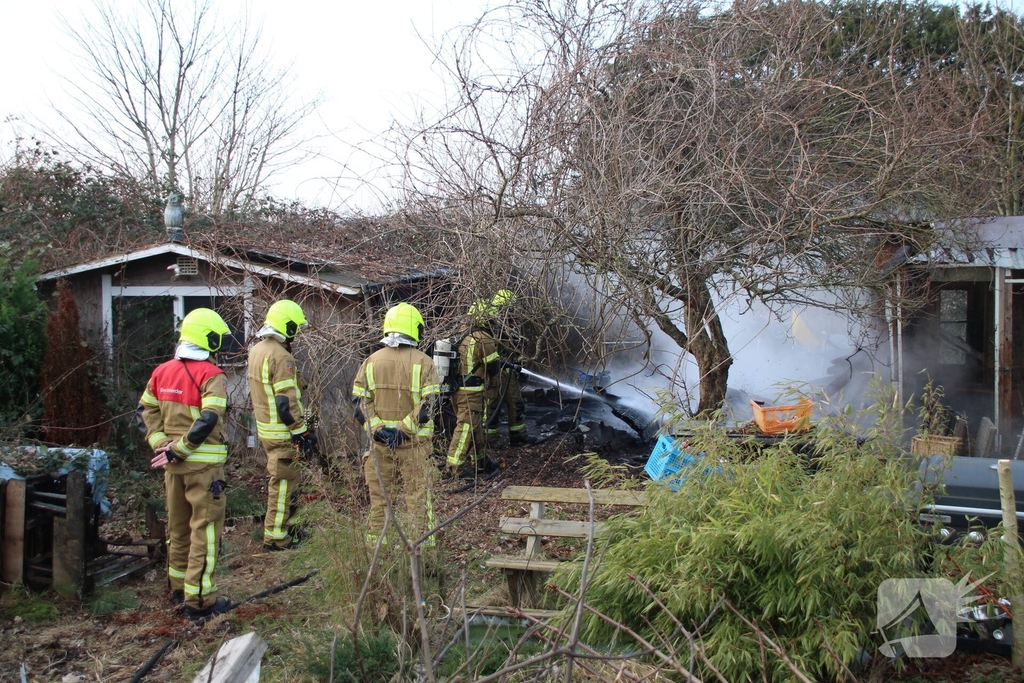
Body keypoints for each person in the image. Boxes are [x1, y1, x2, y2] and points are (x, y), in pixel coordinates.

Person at [138, 308, 232, 621]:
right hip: (202, 469)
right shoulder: (211, 375)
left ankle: (178, 588)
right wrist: (182, 448)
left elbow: (146, 410)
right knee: (205, 531)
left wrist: (160, 443)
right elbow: (210, 417)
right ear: (209, 338)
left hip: (172, 468)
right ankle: (200, 600)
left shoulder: (161, 371)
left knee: (177, 529)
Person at [352, 303, 441, 546]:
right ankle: (422, 554)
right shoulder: (424, 363)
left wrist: (379, 431)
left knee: (380, 501)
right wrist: (404, 431)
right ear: (415, 329)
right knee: (418, 500)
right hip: (414, 447)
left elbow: (358, 403)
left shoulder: (370, 361)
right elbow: (431, 403)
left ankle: (377, 552)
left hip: (379, 448)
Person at [247, 299, 316, 551]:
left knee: (290, 482)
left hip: (267, 430)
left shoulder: (257, 351)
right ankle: (276, 539)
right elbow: (285, 403)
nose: (297, 333)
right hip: (283, 432)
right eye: (295, 327)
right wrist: (301, 432)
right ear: (287, 326)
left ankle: (291, 528)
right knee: (283, 485)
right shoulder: (281, 357)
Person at [444, 300, 501, 478]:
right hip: (471, 392)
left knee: (474, 427)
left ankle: (481, 461)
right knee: (466, 428)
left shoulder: (457, 333)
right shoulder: (482, 338)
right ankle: (453, 468)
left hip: (456, 390)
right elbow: (493, 366)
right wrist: (494, 385)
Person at [479, 289, 536, 447]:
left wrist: (520, 365)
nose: (514, 314)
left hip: (509, 372)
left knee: (516, 403)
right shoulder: (492, 326)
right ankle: (489, 440)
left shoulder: (509, 326)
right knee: (492, 405)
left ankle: (518, 436)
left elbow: (513, 350)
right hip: (494, 373)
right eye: (511, 309)